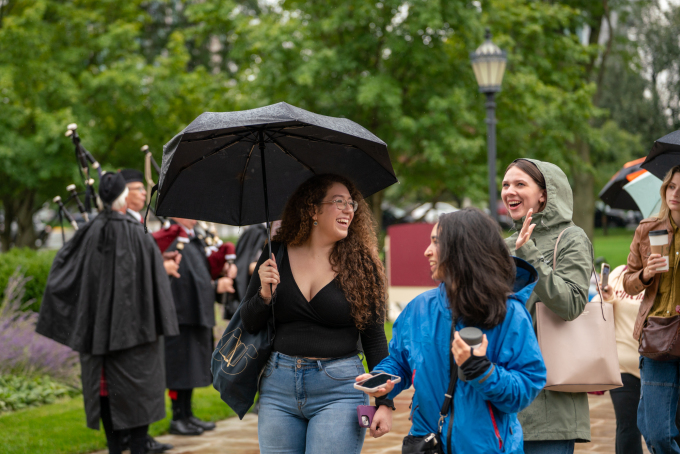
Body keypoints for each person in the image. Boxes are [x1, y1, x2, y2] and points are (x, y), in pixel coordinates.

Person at [360, 208, 546, 453]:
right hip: (426, 444)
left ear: (464, 249)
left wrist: (482, 371)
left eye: (436, 243)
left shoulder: (510, 314)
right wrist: (385, 379)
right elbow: (400, 361)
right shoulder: (419, 309)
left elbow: (524, 389)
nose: (427, 251)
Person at [240, 174, 390, 454]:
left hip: (340, 389)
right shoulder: (276, 254)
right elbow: (249, 322)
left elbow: (375, 339)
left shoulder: (362, 264)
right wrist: (264, 294)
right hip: (278, 387)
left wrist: (385, 402)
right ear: (312, 210)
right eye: (338, 202)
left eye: (351, 204)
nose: (348, 210)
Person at [36, 172, 179, 454]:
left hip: (97, 337)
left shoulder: (86, 234)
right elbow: (157, 285)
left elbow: (62, 277)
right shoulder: (138, 234)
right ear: (123, 197)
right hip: (138, 337)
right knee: (137, 403)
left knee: (111, 405)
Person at [502, 158, 593, 453]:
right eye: (505, 185)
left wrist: (528, 254)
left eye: (519, 184)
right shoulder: (503, 245)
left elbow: (571, 304)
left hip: (550, 402)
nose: (509, 191)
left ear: (544, 193)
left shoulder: (572, 238)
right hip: (502, 395)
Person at [153, 218, 234, 436]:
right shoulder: (171, 238)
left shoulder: (194, 238)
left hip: (195, 313)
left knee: (190, 369)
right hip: (180, 315)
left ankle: (187, 414)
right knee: (179, 370)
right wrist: (215, 286)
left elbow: (200, 276)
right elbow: (179, 281)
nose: (194, 216)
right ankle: (178, 417)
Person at [623, 165, 680, 453]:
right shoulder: (648, 229)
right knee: (655, 431)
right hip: (658, 336)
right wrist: (646, 274)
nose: (676, 194)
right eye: (672, 187)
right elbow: (628, 282)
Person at [119, 168, 175, 453]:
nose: (144, 193)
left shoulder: (134, 224)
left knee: (142, 383)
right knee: (132, 381)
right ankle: (133, 438)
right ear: (122, 194)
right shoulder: (119, 227)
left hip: (142, 317)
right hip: (130, 320)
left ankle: (140, 436)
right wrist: (160, 268)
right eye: (137, 188)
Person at [592, 265, 645, 454]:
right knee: (627, 426)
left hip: (658, 364)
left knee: (664, 430)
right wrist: (607, 298)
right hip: (622, 366)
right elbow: (596, 311)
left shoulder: (663, 274)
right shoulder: (619, 273)